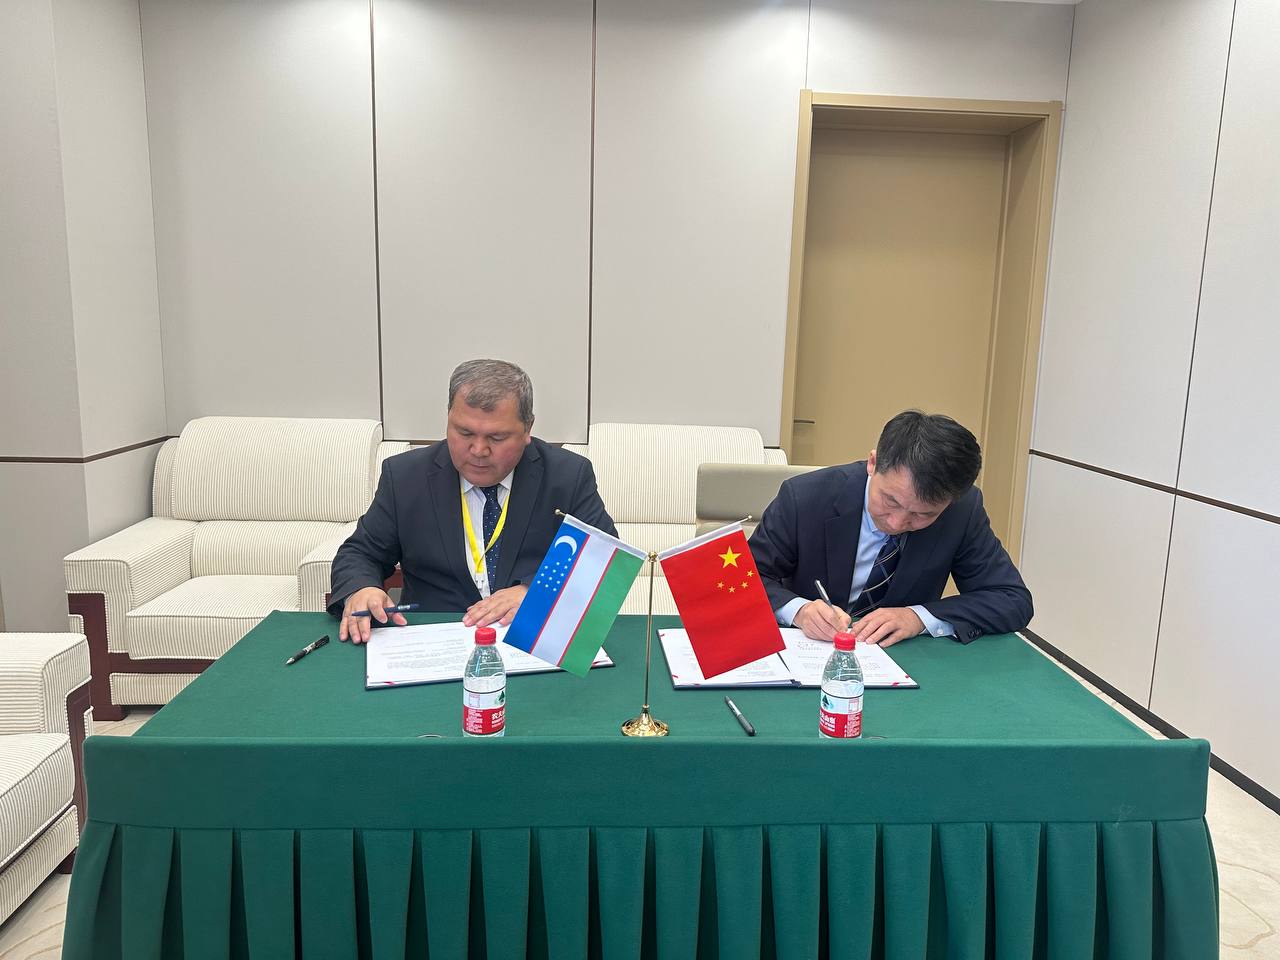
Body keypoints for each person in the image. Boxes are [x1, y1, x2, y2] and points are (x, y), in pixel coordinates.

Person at [329, 359, 616, 643]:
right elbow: (360, 553)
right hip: (432, 643)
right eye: (465, 433)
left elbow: (606, 560)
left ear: (527, 428)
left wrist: (538, 592)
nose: (479, 450)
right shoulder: (405, 477)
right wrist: (362, 589)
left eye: (497, 437)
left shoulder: (567, 476)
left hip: (530, 640)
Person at [748, 410, 1032, 648]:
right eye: (890, 501)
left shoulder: (962, 511)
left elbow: (1012, 599)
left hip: (906, 664)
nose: (896, 523)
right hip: (809, 652)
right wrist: (798, 610)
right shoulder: (805, 497)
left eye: (923, 514)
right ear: (873, 463)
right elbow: (745, 579)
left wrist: (918, 617)